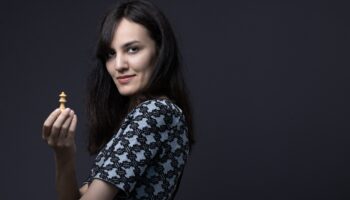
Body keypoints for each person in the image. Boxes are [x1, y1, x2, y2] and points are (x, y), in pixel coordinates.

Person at [42, 0, 194, 199]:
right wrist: (64, 155)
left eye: (132, 49)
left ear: (160, 50)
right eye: (111, 53)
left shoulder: (156, 111)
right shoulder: (146, 115)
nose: (119, 65)